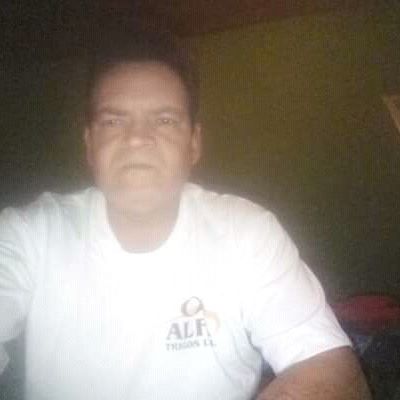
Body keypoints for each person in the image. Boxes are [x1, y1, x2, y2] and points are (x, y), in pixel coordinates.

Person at [0, 30, 371, 400]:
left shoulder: (247, 232)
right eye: (113, 121)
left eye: (164, 120)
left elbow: (331, 370)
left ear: (194, 143)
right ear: (89, 145)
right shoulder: (29, 235)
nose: (137, 138)